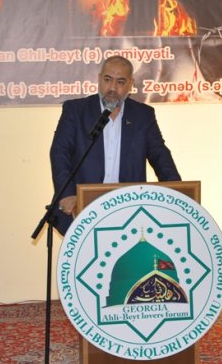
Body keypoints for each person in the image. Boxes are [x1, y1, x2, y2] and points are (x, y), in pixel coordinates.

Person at [49, 55, 181, 234]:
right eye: (107, 80)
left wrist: (177, 193)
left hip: (128, 210)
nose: (112, 88)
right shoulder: (76, 110)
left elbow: (160, 156)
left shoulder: (143, 115)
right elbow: (60, 152)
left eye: (120, 82)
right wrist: (67, 193)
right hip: (82, 208)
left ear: (130, 84)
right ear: (99, 79)